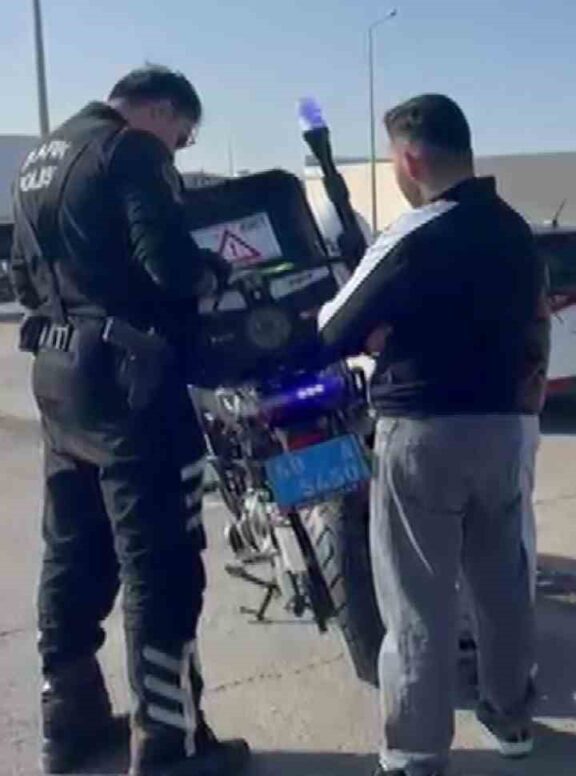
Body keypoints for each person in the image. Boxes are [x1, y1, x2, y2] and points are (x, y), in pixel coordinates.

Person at [9, 66, 249, 775]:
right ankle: (169, 747)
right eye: (181, 135)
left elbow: (24, 280)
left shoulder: (39, 160)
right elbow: (170, 266)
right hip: (132, 387)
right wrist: (212, 274)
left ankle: (70, 722)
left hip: (59, 380)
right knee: (162, 567)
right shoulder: (129, 150)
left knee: (74, 552)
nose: (177, 150)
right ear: (159, 110)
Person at [318, 93, 548, 776]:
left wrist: (379, 330)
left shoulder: (415, 233)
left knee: (418, 596)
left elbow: (332, 328)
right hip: (506, 430)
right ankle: (511, 721)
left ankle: (416, 749)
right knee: (502, 584)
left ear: (411, 159)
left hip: (423, 433)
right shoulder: (515, 231)